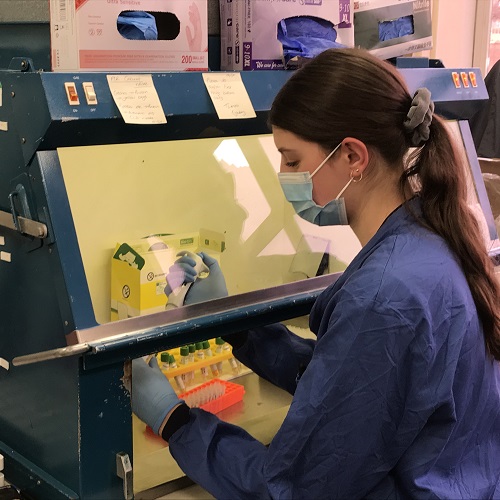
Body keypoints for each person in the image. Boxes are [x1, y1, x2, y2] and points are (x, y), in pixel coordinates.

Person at [132, 48, 500, 499]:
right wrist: (236, 325)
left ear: (352, 157)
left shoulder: (385, 294)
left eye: (291, 160)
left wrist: (174, 420)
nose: (285, 176)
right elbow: (355, 387)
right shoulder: (432, 237)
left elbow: (290, 489)